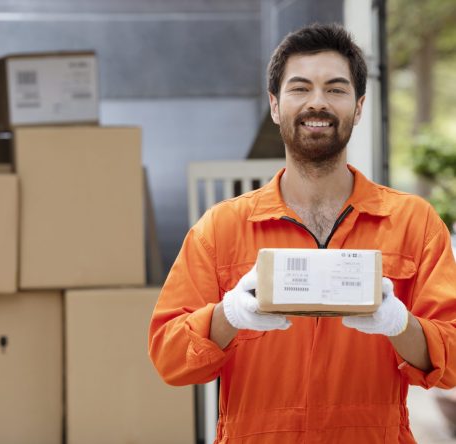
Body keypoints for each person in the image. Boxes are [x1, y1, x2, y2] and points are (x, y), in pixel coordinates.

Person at [148, 23, 456, 443]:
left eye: (335, 89)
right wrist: (229, 315)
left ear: (359, 106)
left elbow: (452, 357)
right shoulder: (222, 228)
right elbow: (169, 358)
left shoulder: (413, 223)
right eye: (300, 88)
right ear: (275, 106)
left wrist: (398, 323)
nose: (317, 103)